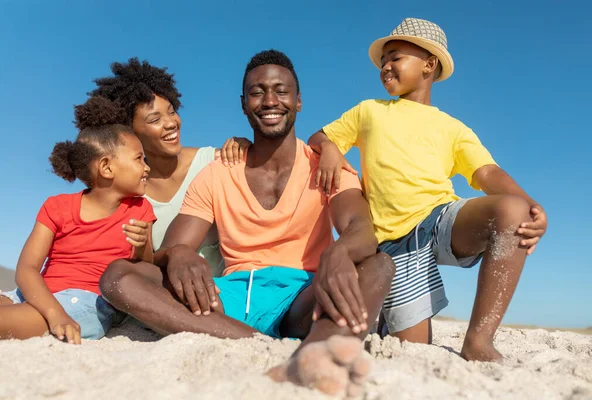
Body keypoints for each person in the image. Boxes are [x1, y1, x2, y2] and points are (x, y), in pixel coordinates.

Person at [99, 50, 395, 397]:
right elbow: (171, 249)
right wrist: (176, 255)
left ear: (298, 101)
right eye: (257, 92)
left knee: (379, 264)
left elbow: (361, 229)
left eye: (281, 91)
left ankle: (321, 352)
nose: (270, 101)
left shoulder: (326, 166)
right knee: (119, 276)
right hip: (231, 299)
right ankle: (253, 342)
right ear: (243, 104)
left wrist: (339, 252)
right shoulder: (217, 173)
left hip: (303, 297)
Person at [305, 18, 548, 362]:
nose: (385, 66)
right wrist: (330, 148)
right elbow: (321, 137)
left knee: (512, 212)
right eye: (383, 61)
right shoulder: (369, 111)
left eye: (395, 57)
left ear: (428, 65)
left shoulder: (453, 128)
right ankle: (386, 320)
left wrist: (532, 205)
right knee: (411, 350)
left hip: (439, 220)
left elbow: (487, 171)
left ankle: (478, 340)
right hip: (392, 244)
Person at [0, 97, 156, 344]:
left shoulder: (140, 209)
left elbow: (146, 264)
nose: (147, 167)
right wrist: (53, 312)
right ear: (106, 168)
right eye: (139, 158)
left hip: (85, 303)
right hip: (38, 295)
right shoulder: (57, 206)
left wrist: (143, 244)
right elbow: (27, 269)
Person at [89, 58, 249, 276]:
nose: (171, 123)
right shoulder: (130, 193)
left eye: (172, 111)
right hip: (169, 299)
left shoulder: (216, 161)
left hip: (227, 296)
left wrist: (246, 146)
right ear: (129, 132)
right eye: (155, 120)